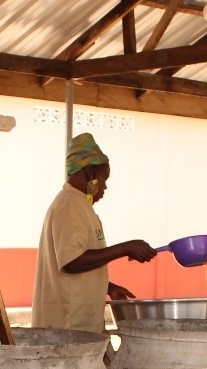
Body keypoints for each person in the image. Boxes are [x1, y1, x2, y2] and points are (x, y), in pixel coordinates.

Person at [31, 132, 156, 333]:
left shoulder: (81, 205)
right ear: (89, 172)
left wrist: (108, 287)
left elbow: (79, 264)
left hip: (79, 324)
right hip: (68, 326)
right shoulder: (69, 205)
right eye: (103, 178)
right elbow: (72, 262)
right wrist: (125, 248)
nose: (105, 186)